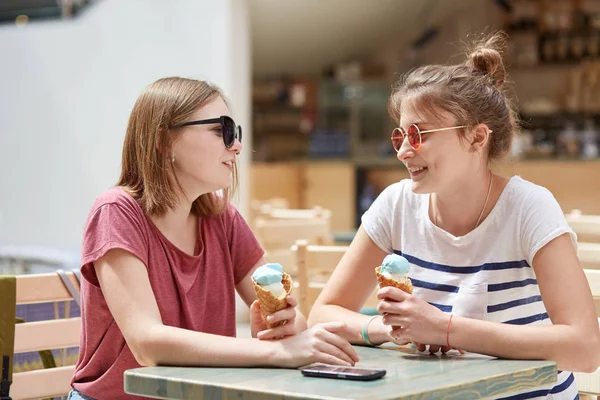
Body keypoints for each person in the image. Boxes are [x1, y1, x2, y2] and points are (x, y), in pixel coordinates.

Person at [308, 33, 600, 399]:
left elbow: (585, 349)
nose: (403, 151)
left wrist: (445, 329)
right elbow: (323, 313)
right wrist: (394, 329)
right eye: (400, 135)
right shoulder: (395, 205)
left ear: (477, 139)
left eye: (420, 134)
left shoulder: (529, 208)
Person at [68, 77, 359, 400]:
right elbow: (147, 342)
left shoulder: (223, 220)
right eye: (222, 130)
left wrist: (284, 324)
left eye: (235, 133)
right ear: (164, 140)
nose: (236, 146)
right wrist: (277, 353)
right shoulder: (116, 213)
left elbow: (296, 325)